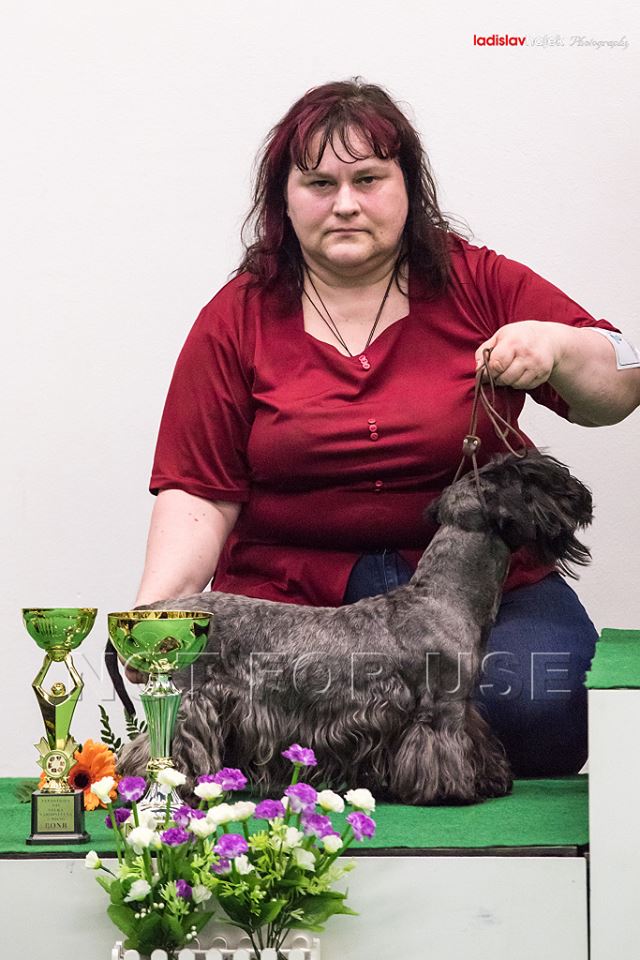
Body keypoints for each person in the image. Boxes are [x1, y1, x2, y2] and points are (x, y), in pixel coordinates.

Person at [127, 79, 640, 777]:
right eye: (319, 183)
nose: (345, 203)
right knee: (262, 708)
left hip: (483, 591)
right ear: (284, 199)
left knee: (537, 702)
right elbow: (198, 491)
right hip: (293, 601)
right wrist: (158, 623)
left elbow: (619, 386)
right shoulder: (235, 318)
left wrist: (558, 345)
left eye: (367, 179)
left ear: (408, 187)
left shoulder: (480, 282)